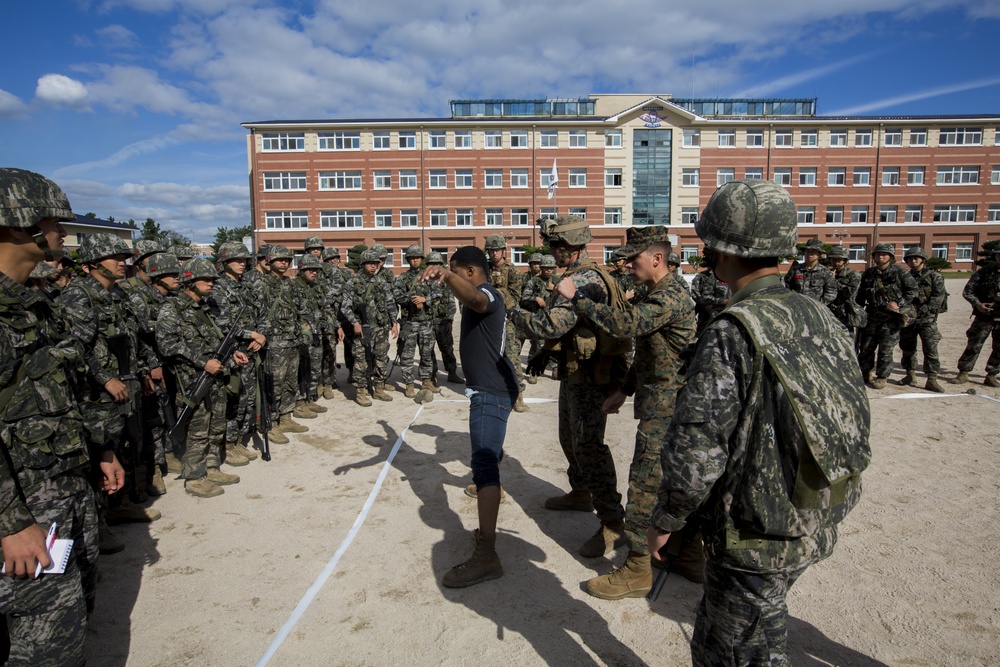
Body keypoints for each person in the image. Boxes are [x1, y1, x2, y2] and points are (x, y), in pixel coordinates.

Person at [647, 179, 871, 666]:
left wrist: (666, 520)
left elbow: (698, 449)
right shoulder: (818, 313)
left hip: (756, 534)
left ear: (718, 251)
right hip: (815, 509)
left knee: (733, 653)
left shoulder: (733, 329)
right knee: (755, 630)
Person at [0, 168, 124, 666]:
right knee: (45, 643)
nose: (63, 232)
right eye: (53, 220)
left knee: (73, 616)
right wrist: (10, 523)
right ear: (17, 224)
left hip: (64, 488)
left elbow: (65, 389)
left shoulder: (34, 305)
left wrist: (102, 450)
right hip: (22, 508)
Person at [555, 226, 696, 599]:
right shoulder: (659, 292)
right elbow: (653, 351)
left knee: (646, 485)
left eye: (634, 258)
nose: (627, 264)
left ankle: (636, 569)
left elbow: (626, 324)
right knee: (673, 482)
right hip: (659, 400)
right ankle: (687, 555)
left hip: (667, 409)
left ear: (657, 258)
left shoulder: (669, 297)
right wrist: (625, 389)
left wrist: (578, 298)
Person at [509, 216, 628, 558]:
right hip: (577, 372)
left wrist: (515, 314)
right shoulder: (580, 274)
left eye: (556, 247)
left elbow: (552, 324)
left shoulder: (585, 279)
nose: (552, 252)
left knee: (590, 446)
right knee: (569, 436)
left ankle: (612, 523)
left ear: (572, 248)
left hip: (592, 377)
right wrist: (546, 354)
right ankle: (581, 492)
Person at [422, 246, 519, 588]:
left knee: (484, 466)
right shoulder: (482, 292)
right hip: (493, 390)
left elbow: (476, 299)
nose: (450, 282)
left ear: (469, 272)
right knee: (488, 460)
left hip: (491, 393)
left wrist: (447, 275)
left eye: (455, 273)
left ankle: (487, 556)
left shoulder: (487, 294)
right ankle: (493, 498)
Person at [156, 258, 249, 497]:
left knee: (216, 426)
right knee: (197, 430)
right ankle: (194, 477)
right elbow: (167, 345)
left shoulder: (206, 309)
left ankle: (212, 466)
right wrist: (201, 362)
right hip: (192, 379)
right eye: (206, 280)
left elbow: (215, 342)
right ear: (189, 281)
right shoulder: (172, 308)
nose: (211, 284)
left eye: (213, 280)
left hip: (216, 376)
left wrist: (232, 355)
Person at [341, 249, 399, 406]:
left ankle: (379, 388)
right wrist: (355, 322)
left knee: (381, 358)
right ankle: (361, 391)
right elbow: (345, 307)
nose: (373, 266)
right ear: (362, 264)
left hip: (380, 328)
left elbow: (390, 303)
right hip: (362, 329)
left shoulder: (381, 282)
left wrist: (394, 322)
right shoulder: (352, 283)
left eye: (375, 263)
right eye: (370, 263)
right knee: (361, 360)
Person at [857, 243, 918, 388]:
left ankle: (882, 376)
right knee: (866, 347)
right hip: (872, 316)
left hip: (891, 318)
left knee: (886, 349)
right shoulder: (868, 274)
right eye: (878, 254)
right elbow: (860, 295)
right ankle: (865, 373)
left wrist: (899, 303)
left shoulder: (900, 273)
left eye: (884, 254)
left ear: (890, 257)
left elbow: (913, 290)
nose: (881, 257)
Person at [485, 234, 527, 411]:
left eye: (497, 250)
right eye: (491, 250)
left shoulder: (513, 271)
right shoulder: (483, 270)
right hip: (487, 320)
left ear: (503, 251)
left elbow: (515, 297)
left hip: (506, 319)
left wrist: (493, 293)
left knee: (511, 355)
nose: (494, 253)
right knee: (488, 357)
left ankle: (518, 394)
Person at [394, 245, 440, 397]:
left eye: (418, 257)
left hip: (426, 322)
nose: (415, 260)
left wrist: (425, 299)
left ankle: (426, 381)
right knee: (407, 355)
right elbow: (397, 296)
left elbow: (438, 294)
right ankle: (409, 384)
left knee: (426, 353)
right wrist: (413, 300)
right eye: (412, 258)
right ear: (408, 259)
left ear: (422, 259)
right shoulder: (402, 278)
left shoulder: (430, 276)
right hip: (410, 322)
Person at [899, 246, 947, 392]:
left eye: (916, 258)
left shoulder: (934, 276)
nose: (913, 261)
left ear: (923, 260)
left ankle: (932, 379)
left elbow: (938, 297)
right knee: (907, 347)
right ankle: (910, 374)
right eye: (910, 258)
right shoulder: (905, 276)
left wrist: (922, 311)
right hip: (909, 319)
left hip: (927, 319)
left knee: (931, 349)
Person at [952, 243, 1000, 387]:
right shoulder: (984, 272)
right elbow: (968, 291)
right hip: (984, 316)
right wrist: (978, 304)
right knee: (974, 343)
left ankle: (992, 374)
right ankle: (964, 372)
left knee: (999, 347)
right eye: (998, 254)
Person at [425, 252, 463, 385]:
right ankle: (432, 375)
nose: (434, 266)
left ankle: (452, 373)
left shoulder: (445, 282)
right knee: (428, 350)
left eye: (437, 264)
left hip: (442, 321)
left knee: (447, 348)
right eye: (431, 264)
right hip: (427, 321)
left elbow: (451, 302)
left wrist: (449, 320)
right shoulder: (423, 280)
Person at [784, 238, 837, 305]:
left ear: (819, 254)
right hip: (797, 307)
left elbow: (831, 292)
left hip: (816, 309)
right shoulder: (795, 269)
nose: (810, 254)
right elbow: (786, 287)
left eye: (813, 251)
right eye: (807, 251)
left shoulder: (825, 272)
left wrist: (819, 305)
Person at [826, 245, 864, 336]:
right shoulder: (827, 273)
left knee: (847, 343)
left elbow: (849, 293)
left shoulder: (853, 275)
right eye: (833, 259)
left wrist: (833, 280)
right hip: (829, 314)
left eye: (839, 260)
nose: (836, 262)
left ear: (845, 261)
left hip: (845, 315)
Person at [691, 256, 730, 336]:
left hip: (725, 314)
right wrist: (706, 306)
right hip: (706, 314)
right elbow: (696, 294)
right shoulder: (701, 277)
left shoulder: (727, 276)